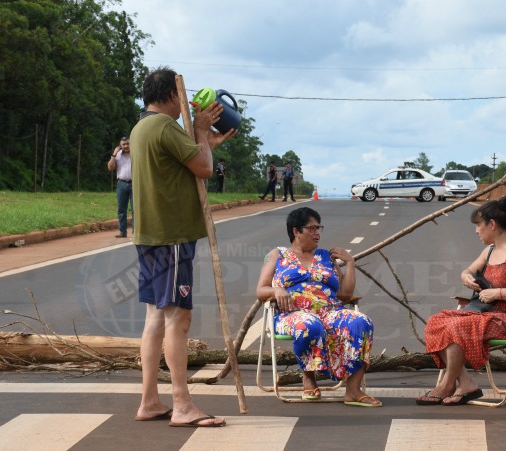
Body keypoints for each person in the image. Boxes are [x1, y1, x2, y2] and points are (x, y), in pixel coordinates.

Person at [129, 66, 235, 428]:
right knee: (178, 317)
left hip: (149, 235)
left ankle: (149, 400)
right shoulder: (165, 126)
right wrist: (202, 131)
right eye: (181, 97)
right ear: (172, 95)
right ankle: (181, 404)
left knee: (156, 318)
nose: (185, 104)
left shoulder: (142, 127)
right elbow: (204, 168)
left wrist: (205, 142)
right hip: (171, 236)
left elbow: (191, 160)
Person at [417, 195, 506, 406]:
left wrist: (497, 293)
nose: (476, 231)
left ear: (492, 224)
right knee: (436, 322)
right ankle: (465, 383)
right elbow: (467, 271)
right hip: (485, 312)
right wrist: (466, 277)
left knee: (458, 326)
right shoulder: (489, 251)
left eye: (478, 225)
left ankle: (447, 384)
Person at [255, 207, 379, 406]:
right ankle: (309, 379)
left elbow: (345, 294)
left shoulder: (325, 257)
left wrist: (350, 262)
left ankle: (353, 390)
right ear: (296, 231)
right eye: (311, 228)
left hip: (330, 312)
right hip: (291, 315)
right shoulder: (278, 254)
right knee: (310, 324)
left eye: (319, 228)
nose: (317, 233)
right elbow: (261, 290)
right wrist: (276, 290)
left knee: (361, 322)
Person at [107, 137, 132, 238]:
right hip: (121, 184)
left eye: (128, 144)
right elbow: (110, 167)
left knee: (135, 209)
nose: (126, 146)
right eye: (124, 144)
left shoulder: (136, 154)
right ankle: (122, 231)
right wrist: (114, 154)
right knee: (121, 209)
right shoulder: (118, 155)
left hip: (134, 183)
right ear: (120, 146)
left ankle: (136, 232)